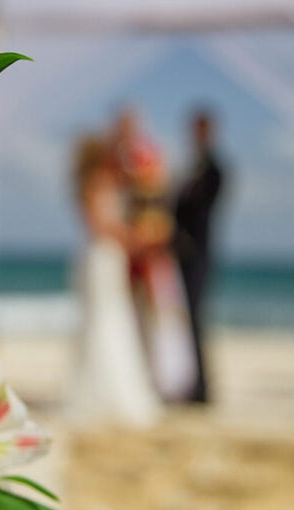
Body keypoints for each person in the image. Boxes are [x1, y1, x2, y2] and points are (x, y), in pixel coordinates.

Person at [66, 135, 161, 427]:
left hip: (105, 256)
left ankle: (103, 390)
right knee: (105, 319)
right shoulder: (97, 181)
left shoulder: (93, 181)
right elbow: (100, 224)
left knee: (111, 318)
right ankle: (104, 392)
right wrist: (135, 238)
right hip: (103, 255)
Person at [111, 109, 197, 403]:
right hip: (130, 250)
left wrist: (150, 233)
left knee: (162, 316)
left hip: (148, 250)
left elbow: (157, 201)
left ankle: (165, 379)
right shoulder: (113, 161)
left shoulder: (150, 159)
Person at [173, 109, 224, 403]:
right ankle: (189, 381)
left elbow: (202, 212)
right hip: (180, 254)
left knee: (195, 317)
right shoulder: (189, 168)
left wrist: (183, 237)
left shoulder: (215, 170)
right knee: (182, 319)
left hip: (197, 254)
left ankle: (202, 387)